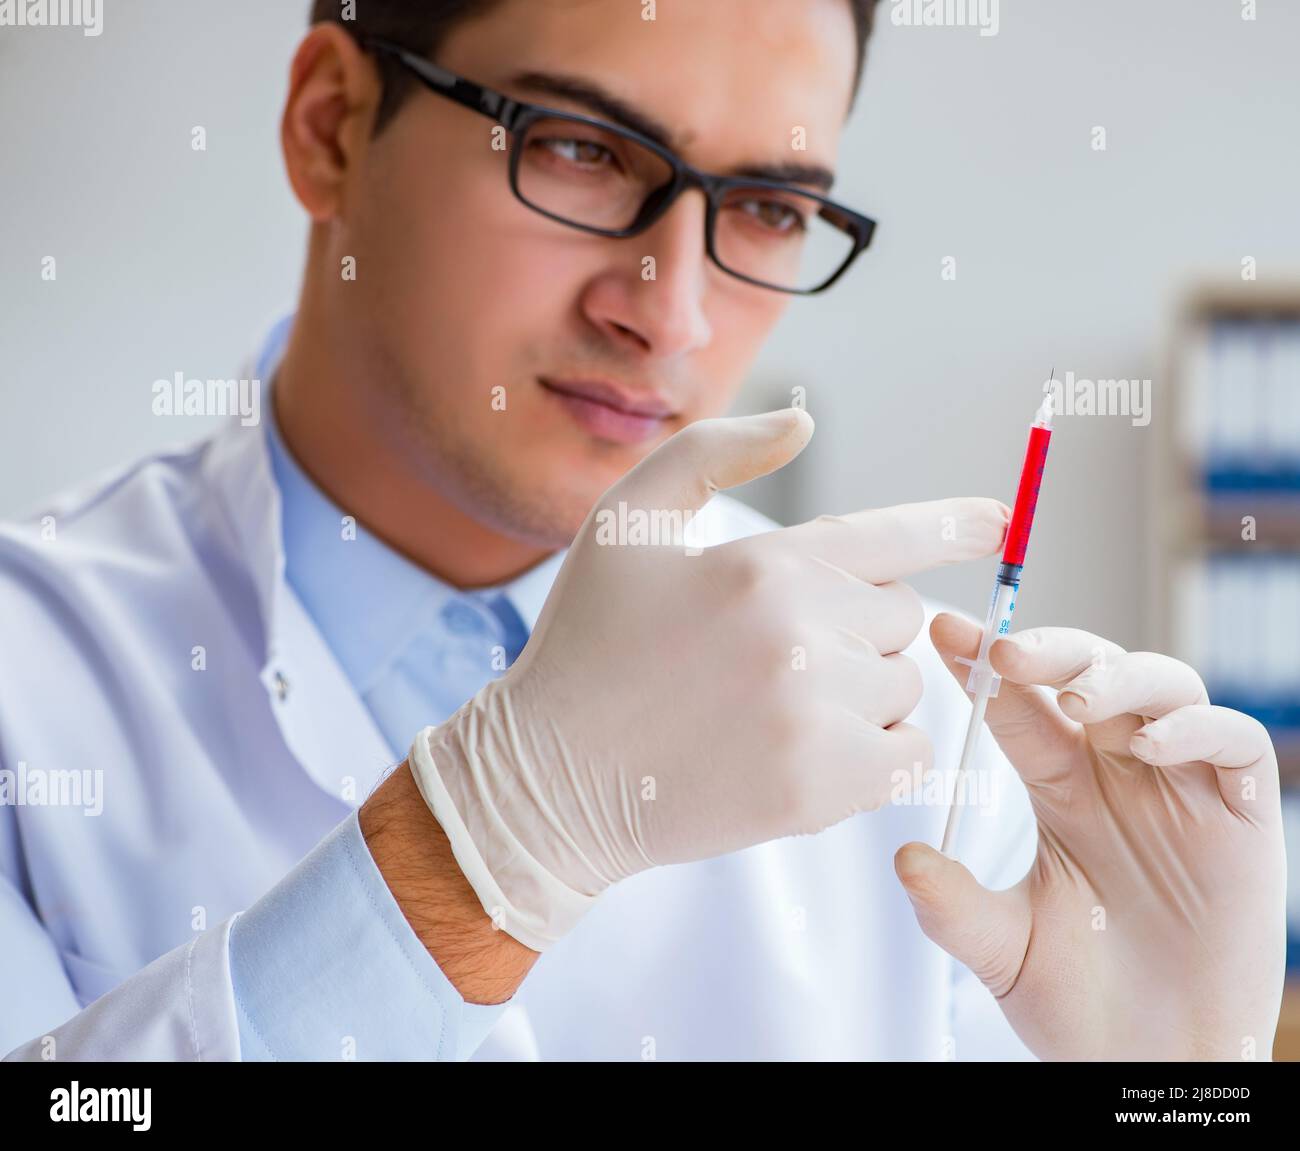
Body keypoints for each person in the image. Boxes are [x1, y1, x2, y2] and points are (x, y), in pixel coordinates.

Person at [1, 0, 1284, 1062]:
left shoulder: (933, 740)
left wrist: (1170, 1085)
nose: (670, 316)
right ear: (332, 125)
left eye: (771, 209)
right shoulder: (33, 681)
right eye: (579, 148)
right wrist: (482, 854)